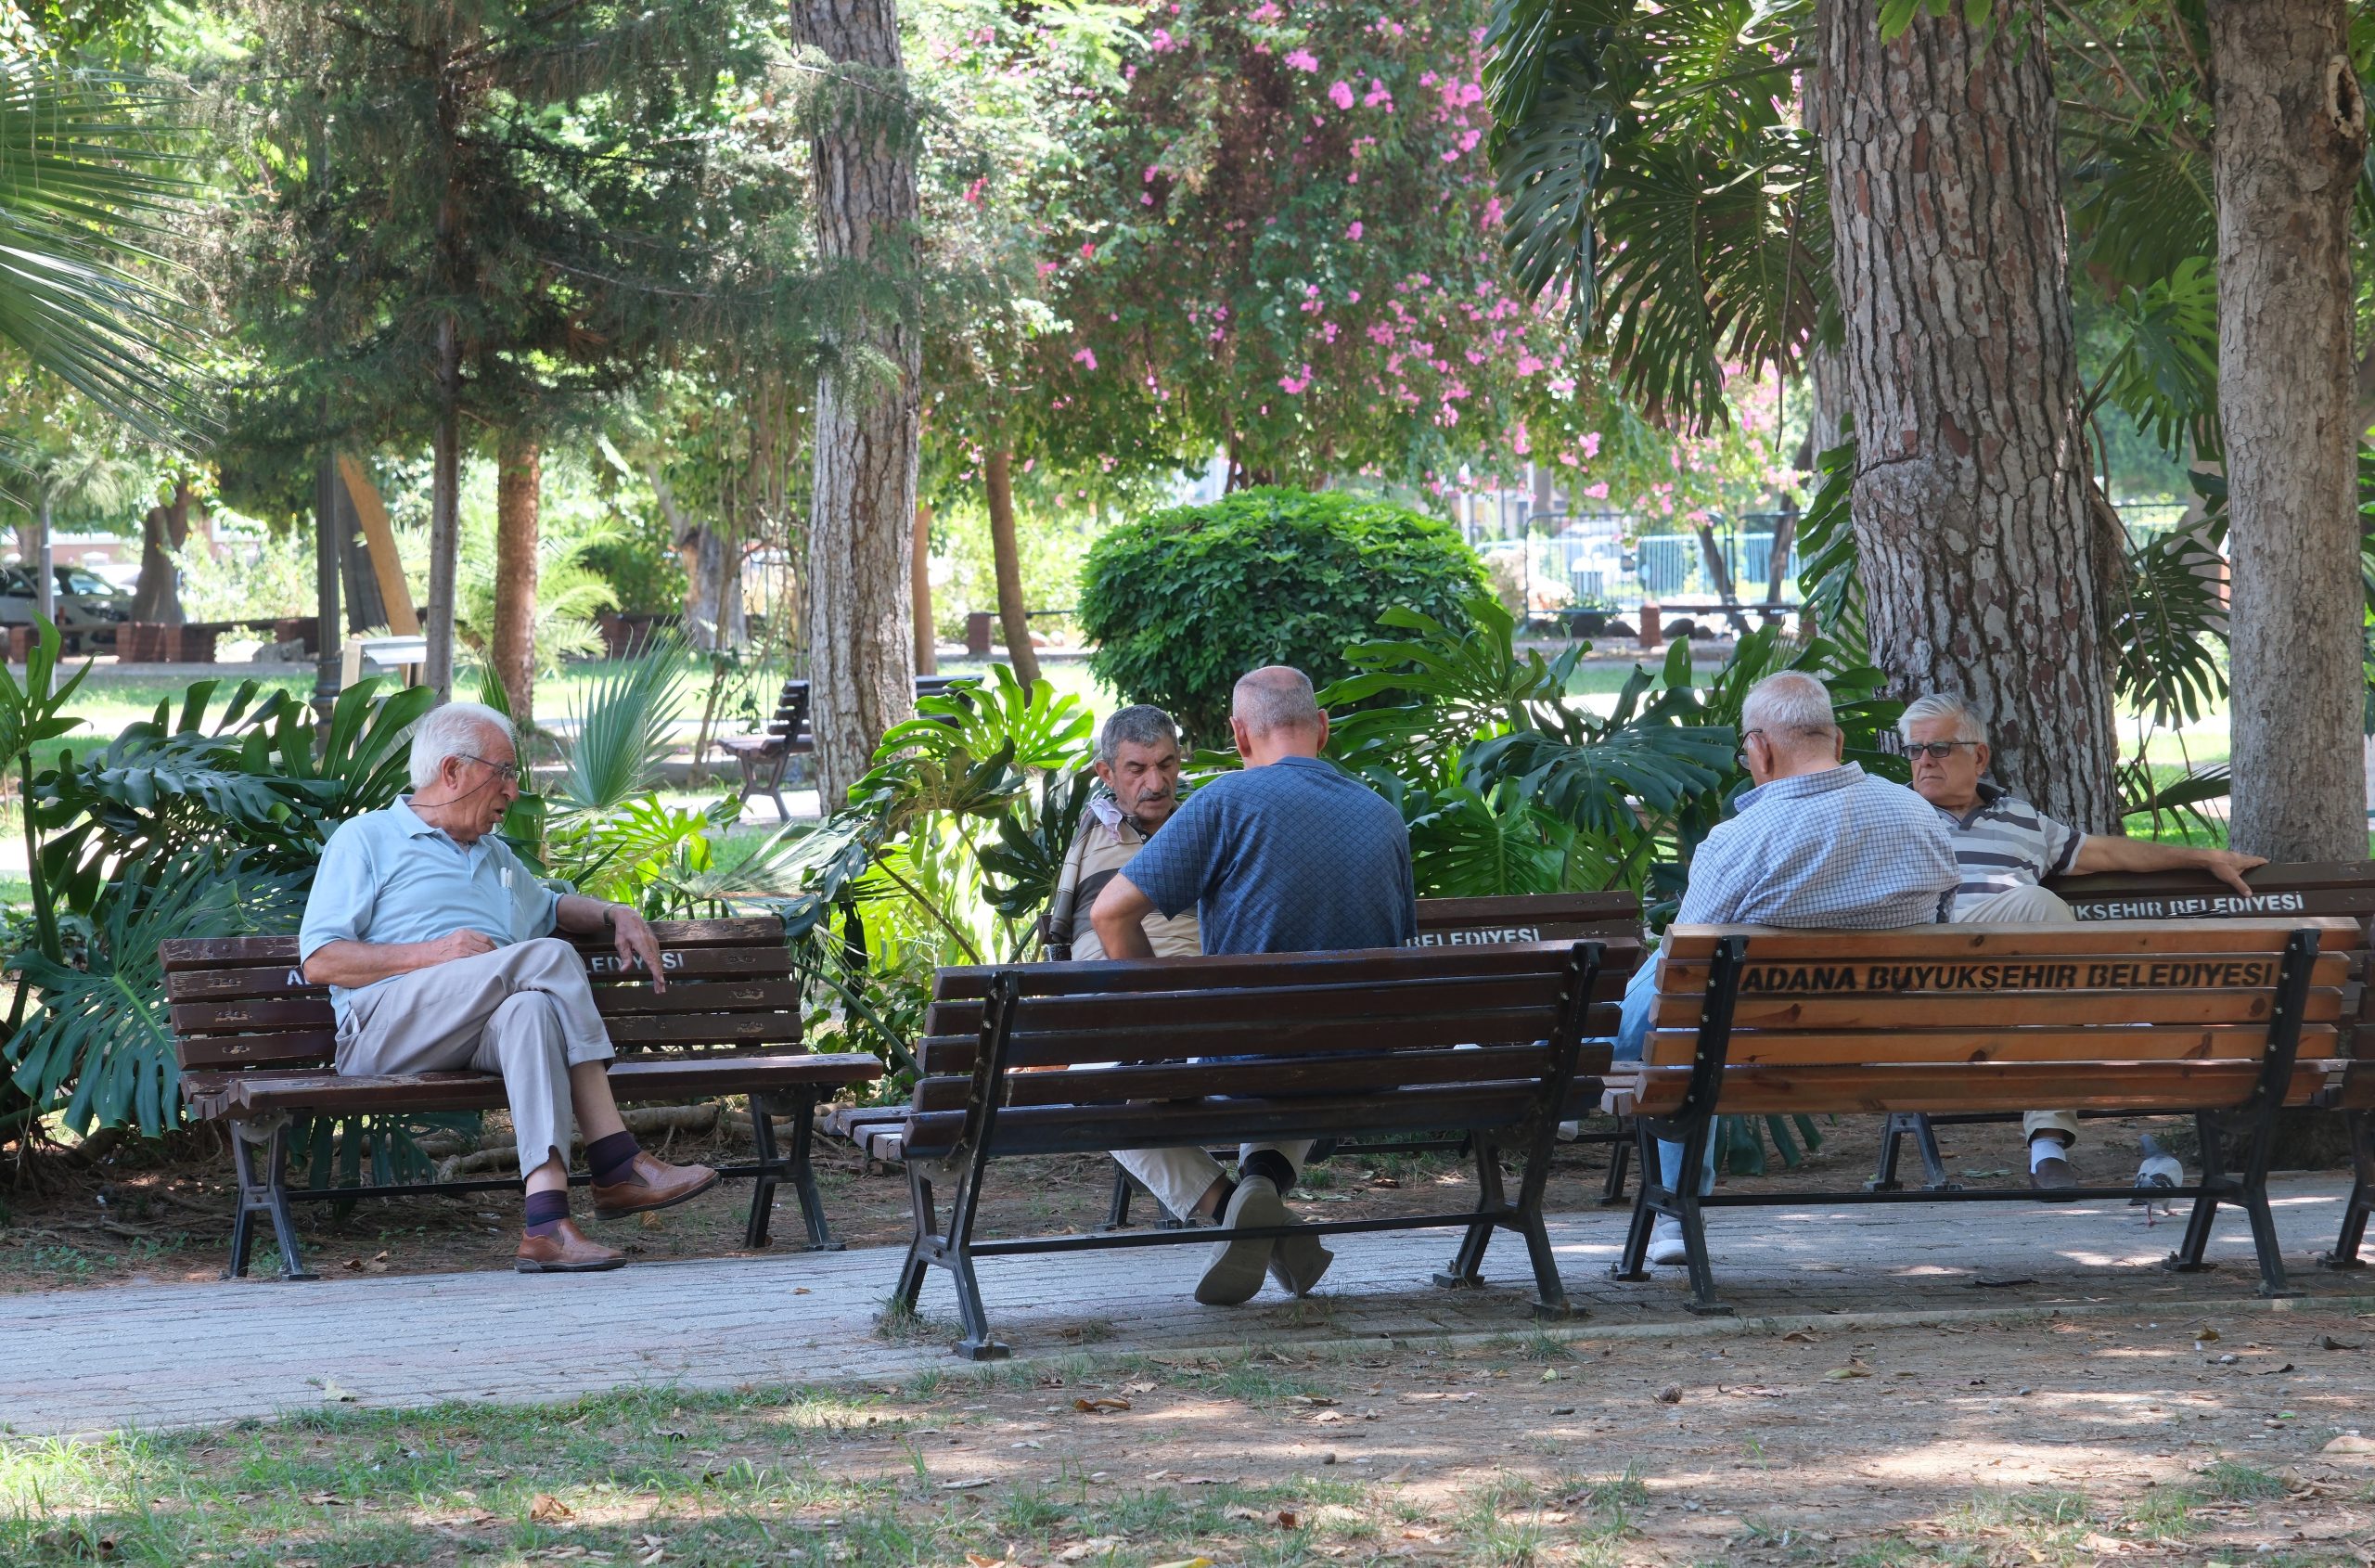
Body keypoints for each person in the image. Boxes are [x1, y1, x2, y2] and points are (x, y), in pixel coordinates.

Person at [299, 701, 719, 1274]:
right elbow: (322, 960)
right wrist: (431, 953)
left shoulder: (493, 856)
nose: (513, 791)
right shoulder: (367, 838)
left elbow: (549, 908)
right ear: (452, 771)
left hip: (468, 1028)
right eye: (505, 771)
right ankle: (616, 1159)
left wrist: (612, 912)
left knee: (529, 1012)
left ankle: (547, 1222)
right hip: (382, 1030)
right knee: (546, 960)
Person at [1089, 665, 1417, 1306]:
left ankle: (1227, 1207)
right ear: (1321, 728)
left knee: (1104, 1082)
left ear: (1240, 736)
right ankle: (1263, 1195)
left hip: (1251, 1062)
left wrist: (1157, 1024)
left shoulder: (1224, 803)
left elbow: (1108, 913)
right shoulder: (1384, 818)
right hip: (1362, 1066)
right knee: (1304, 1047)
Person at [1617, 671, 1960, 1264]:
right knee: (1681, 1007)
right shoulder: (1919, 817)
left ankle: (1668, 1199)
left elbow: (1680, 977)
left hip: (1747, 1052)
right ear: (1839, 742)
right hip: (1890, 1046)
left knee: (1669, 1002)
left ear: (1761, 748)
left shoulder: (1740, 841)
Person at [1901, 691, 2266, 1189]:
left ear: (1979, 756)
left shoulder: (2023, 820)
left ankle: (2047, 1144)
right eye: (1915, 750)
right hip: (1926, 974)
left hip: (2017, 984)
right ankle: (2114, 1010)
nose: (1923, 761)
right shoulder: (1893, 815)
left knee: (2051, 994)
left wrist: (2201, 858)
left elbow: (2109, 854)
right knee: (2040, 907)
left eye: (1939, 748)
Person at [1044, 705, 1199, 962]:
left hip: (1201, 989)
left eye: (1165, 765)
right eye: (1137, 770)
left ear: (1178, 760)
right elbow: (1060, 939)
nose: (1156, 784)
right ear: (1107, 773)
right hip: (1106, 993)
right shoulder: (1091, 832)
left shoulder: (1201, 830)